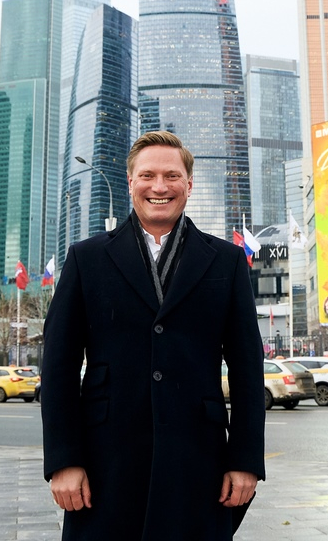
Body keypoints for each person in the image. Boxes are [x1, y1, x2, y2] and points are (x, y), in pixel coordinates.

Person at [41, 131, 266, 540]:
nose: (159, 187)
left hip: (198, 462)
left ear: (189, 185)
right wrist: (63, 460)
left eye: (171, 176)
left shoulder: (227, 261)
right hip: (105, 465)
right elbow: (58, 365)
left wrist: (245, 460)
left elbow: (248, 368)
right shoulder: (86, 259)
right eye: (147, 175)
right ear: (131, 182)